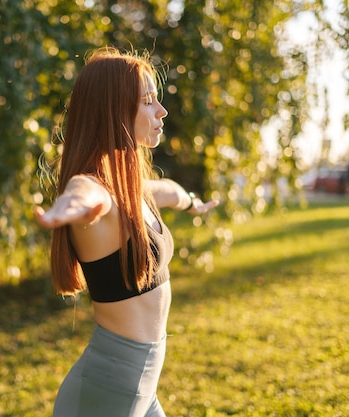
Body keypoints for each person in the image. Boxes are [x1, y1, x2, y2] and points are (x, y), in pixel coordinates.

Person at [34, 47, 218, 417]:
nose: (161, 110)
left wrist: (192, 203)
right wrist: (65, 207)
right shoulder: (95, 191)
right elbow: (85, 193)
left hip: (138, 393)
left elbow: (167, 192)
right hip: (104, 399)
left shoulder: (131, 192)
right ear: (114, 112)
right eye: (148, 102)